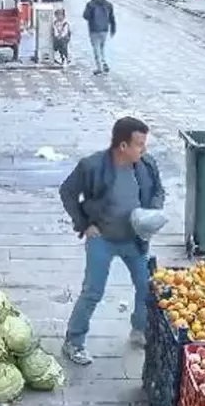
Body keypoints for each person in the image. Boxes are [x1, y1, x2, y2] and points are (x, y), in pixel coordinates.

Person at [59, 117, 166, 365]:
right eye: (139, 144)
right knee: (93, 291)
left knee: (147, 287)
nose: (144, 149)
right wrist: (85, 224)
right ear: (123, 146)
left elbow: (159, 190)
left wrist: (152, 212)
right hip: (103, 239)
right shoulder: (92, 166)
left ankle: (140, 330)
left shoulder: (147, 165)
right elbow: (67, 192)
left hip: (135, 240)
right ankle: (73, 341)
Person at [82, 0, 117, 75]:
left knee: (96, 48)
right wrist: (113, 29)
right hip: (105, 29)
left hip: (94, 29)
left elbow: (85, 16)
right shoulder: (107, 4)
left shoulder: (90, 4)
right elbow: (112, 18)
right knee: (102, 47)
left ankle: (99, 67)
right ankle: (104, 62)